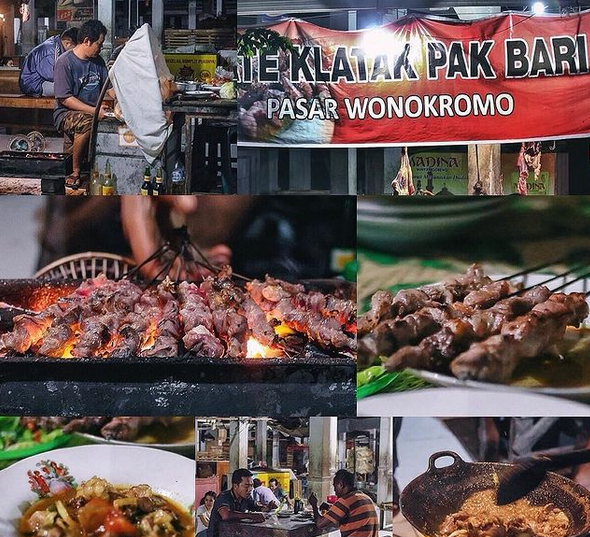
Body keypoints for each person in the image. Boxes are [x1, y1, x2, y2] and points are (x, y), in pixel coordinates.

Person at [53, 19, 114, 189]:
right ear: (87, 41)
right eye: (99, 44)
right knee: (86, 122)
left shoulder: (98, 62)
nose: (101, 48)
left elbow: (108, 89)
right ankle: (75, 171)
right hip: (66, 113)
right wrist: (95, 111)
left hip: (91, 111)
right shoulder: (65, 62)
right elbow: (64, 98)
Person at [309, 469, 379, 537]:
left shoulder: (345, 501)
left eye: (334, 486)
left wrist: (314, 505)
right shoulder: (366, 497)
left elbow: (320, 524)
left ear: (341, 484)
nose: (334, 490)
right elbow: (349, 515)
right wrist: (329, 507)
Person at [19, 28, 78, 97]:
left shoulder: (57, 44)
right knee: (71, 89)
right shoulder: (50, 51)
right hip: (35, 84)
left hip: (42, 82)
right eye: (76, 47)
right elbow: (54, 77)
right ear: (68, 43)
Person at [207, 468, 265, 537]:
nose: (250, 489)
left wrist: (267, 507)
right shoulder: (224, 496)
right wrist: (250, 516)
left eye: (251, 485)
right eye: (246, 486)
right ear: (235, 486)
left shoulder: (246, 497)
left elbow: (256, 507)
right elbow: (226, 515)